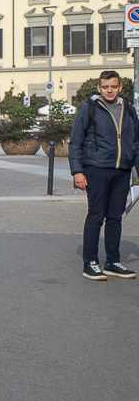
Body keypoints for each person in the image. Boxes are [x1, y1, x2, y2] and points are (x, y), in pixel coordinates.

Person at [69, 70, 139, 281]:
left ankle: (112, 262)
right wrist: (77, 171)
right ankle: (90, 262)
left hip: (122, 170)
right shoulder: (88, 109)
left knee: (116, 217)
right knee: (96, 216)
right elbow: (76, 141)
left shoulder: (129, 110)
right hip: (96, 169)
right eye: (106, 87)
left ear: (120, 88)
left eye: (114, 86)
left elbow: (135, 143)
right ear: (99, 88)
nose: (110, 90)